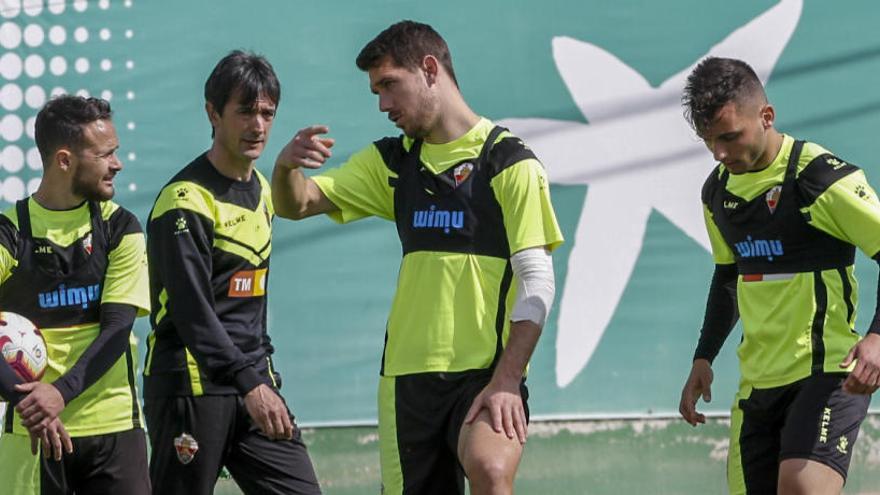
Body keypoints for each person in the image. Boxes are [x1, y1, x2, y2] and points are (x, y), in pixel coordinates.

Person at [272, 20, 563, 495]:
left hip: (484, 376)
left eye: (389, 85)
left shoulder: (508, 162)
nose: (384, 104)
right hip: (405, 382)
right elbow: (296, 204)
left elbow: (536, 281)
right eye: (375, 92)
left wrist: (508, 378)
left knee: (491, 471)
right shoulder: (394, 162)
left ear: (430, 69)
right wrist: (285, 167)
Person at [678, 57, 880, 493]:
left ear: (766, 117)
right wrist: (703, 357)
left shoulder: (818, 177)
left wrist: (878, 338)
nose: (720, 153)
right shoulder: (717, 193)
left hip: (827, 372)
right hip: (757, 387)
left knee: (800, 489)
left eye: (730, 136)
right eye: (709, 141)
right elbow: (729, 276)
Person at [143, 50, 321, 495]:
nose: (257, 126)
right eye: (244, 111)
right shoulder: (185, 200)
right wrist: (249, 384)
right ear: (212, 113)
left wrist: (260, 378)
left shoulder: (263, 190)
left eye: (267, 113)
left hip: (253, 385)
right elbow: (193, 314)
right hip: (189, 387)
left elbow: (249, 307)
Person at [0, 95, 151, 493]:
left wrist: (59, 394)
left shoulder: (121, 228)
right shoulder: (10, 232)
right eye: (105, 155)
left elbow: (117, 330)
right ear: (64, 161)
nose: (116, 164)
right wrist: (29, 405)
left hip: (114, 427)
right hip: (33, 434)